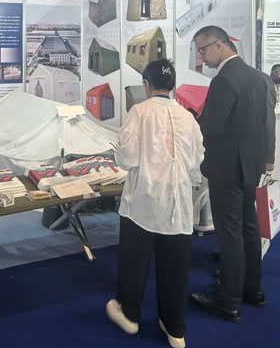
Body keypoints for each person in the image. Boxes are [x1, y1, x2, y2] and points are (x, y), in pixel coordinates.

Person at [106, 59, 204, 348]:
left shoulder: (139, 111)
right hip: (178, 201)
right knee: (176, 268)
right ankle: (175, 330)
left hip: (143, 200)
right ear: (172, 85)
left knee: (134, 263)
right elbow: (197, 157)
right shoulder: (187, 116)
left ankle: (129, 315)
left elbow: (127, 158)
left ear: (146, 85)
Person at [189, 26, 274, 324]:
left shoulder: (223, 80)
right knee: (249, 228)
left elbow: (212, 128)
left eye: (203, 50)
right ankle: (253, 290)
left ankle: (229, 300)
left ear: (221, 45)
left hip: (227, 167)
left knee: (229, 233)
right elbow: (266, 121)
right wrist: (267, 159)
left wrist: (194, 120)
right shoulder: (258, 77)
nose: (201, 56)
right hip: (251, 165)